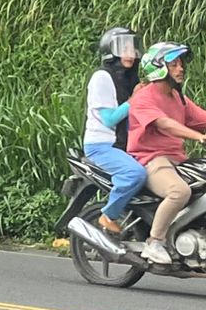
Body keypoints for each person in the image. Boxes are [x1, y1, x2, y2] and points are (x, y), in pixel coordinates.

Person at [125, 41, 204, 264]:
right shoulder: (143, 98)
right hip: (151, 159)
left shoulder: (177, 97)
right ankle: (155, 242)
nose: (181, 69)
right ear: (159, 67)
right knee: (179, 191)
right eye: (174, 64)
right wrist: (198, 136)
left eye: (181, 64)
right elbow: (165, 124)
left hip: (177, 159)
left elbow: (202, 118)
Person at [83, 26, 146, 234]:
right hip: (102, 145)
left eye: (132, 47)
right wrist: (134, 100)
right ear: (111, 50)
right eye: (123, 47)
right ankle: (108, 215)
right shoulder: (102, 77)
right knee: (134, 174)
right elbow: (109, 119)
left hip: (122, 144)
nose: (130, 52)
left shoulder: (129, 79)